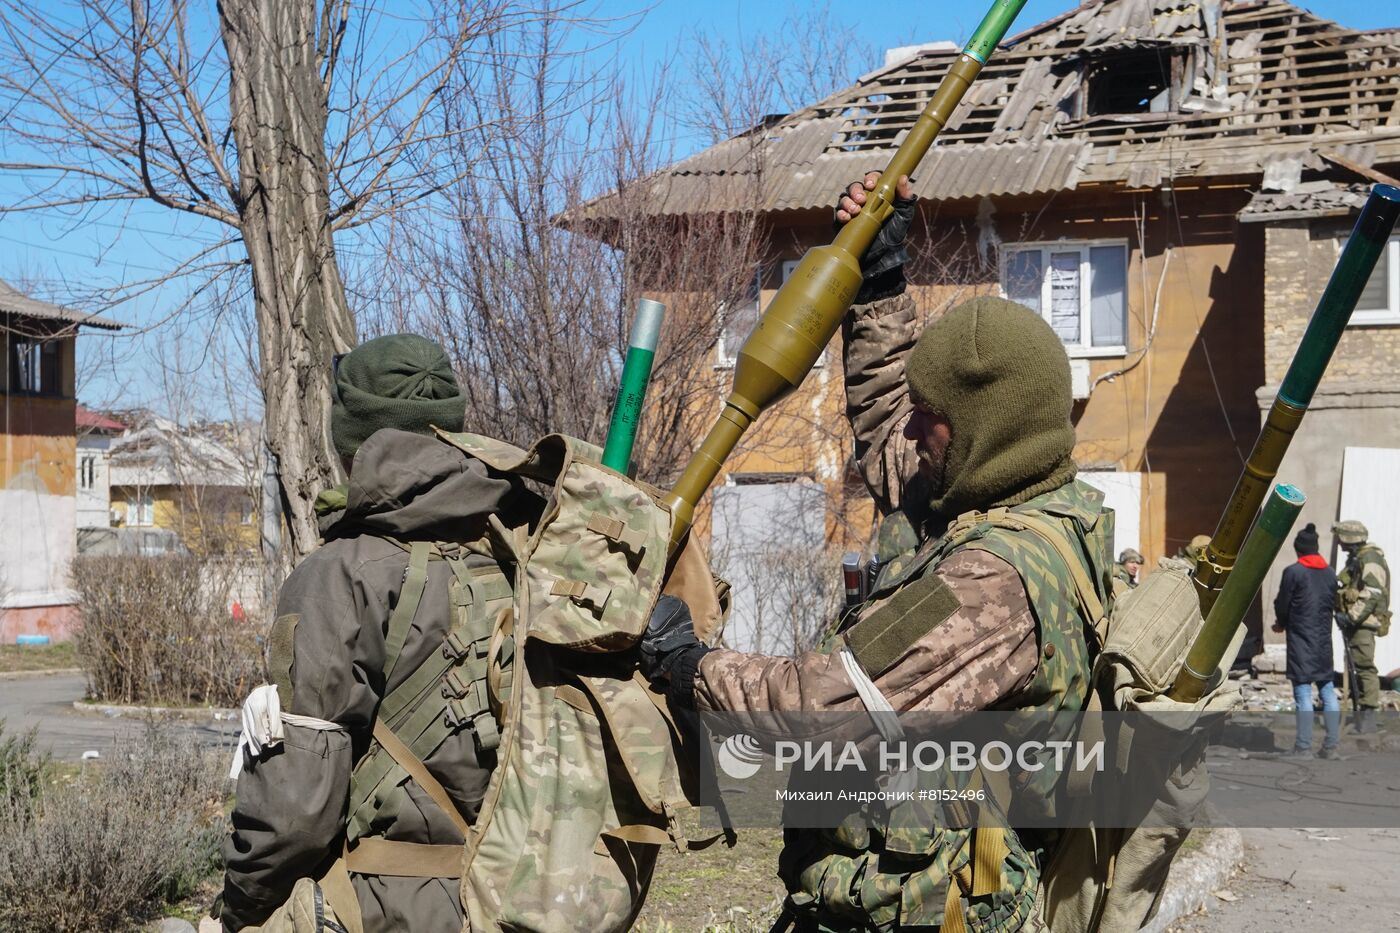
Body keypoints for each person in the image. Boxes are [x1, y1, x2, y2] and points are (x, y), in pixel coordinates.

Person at [641, 173, 1111, 931]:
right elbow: (895, 420)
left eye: (933, 417)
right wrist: (881, 286)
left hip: (937, 908)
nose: (912, 433)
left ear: (983, 429)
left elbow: (826, 706)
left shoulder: (993, 582)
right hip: (901, 889)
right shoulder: (1005, 492)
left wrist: (689, 662)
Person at [219, 334, 536, 932]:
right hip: (529, 896)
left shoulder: (341, 574)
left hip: (391, 907)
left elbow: (295, 812)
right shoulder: (527, 548)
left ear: (353, 435)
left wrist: (239, 907)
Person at [1271, 523, 1340, 758]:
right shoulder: (1330, 573)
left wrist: (1280, 623)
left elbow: (1283, 603)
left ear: (1299, 550)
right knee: (1327, 690)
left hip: (1301, 640)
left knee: (1302, 692)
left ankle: (1303, 746)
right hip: (1323, 642)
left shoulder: (1294, 572)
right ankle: (1331, 745)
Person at [1333, 519, 1391, 734]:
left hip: (1363, 624)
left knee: (1365, 667)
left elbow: (1373, 594)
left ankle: (1368, 715)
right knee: (1355, 666)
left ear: (1350, 539)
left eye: (1341, 538)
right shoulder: (1357, 558)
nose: (1339, 543)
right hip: (1356, 622)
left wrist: (1352, 617)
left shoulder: (1370, 558)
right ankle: (1360, 713)